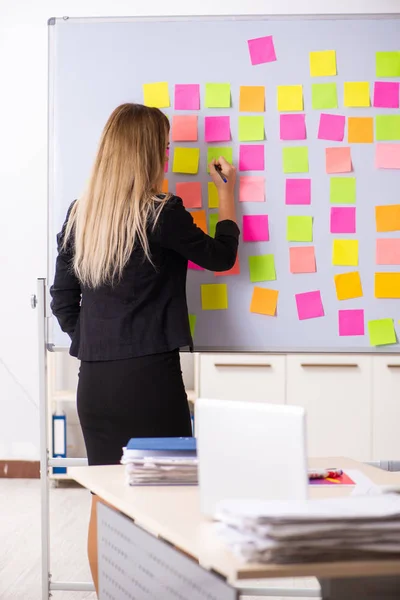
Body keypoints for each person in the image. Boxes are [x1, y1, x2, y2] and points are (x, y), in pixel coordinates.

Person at [50, 102, 239, 593]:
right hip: (151, 380)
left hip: (96, 382)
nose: (170, 153)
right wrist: (227, 197)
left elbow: (63, 299)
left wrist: (91, 343)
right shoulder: (163, 213)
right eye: (167, 145)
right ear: (148, 151)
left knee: (106, 501)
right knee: (175, 501)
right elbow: (221, 258)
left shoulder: (81, 213)